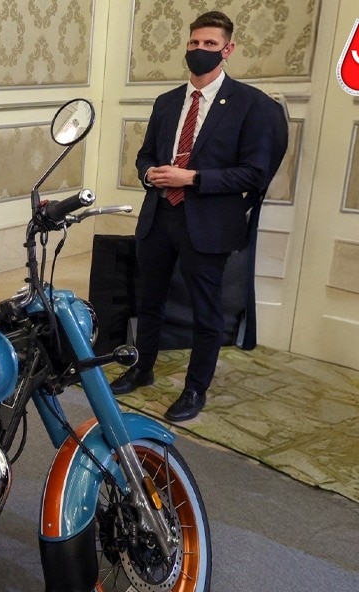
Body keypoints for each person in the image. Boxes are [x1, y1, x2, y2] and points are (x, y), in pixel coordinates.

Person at [110, 10, 286, 422]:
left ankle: (194, 390)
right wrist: (147, 172)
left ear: (228, 49)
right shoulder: (168, 102)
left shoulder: (252, 105)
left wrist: (193, 177)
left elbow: (255, 173)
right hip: (159, 216)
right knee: (148, 300)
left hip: (207, 224)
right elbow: (145, 155)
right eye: (194, 43)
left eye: (209, 44)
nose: (199, 50)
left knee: (206, 312)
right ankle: (143, 368)